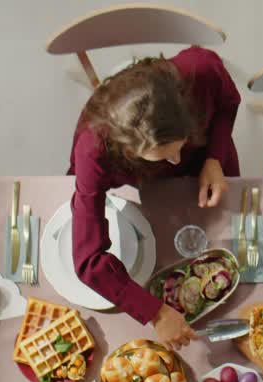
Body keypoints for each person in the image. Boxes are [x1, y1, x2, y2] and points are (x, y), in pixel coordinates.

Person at [68, 48, 241, 350]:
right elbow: (88, 260)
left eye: (178, 146)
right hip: (144, 185)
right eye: (162, 155)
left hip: (205, 162)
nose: (176, 162)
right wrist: (155, 312)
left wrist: (214, 156)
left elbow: (228, 101)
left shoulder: (201, 69)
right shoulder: (93, 148)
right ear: (127, 148)